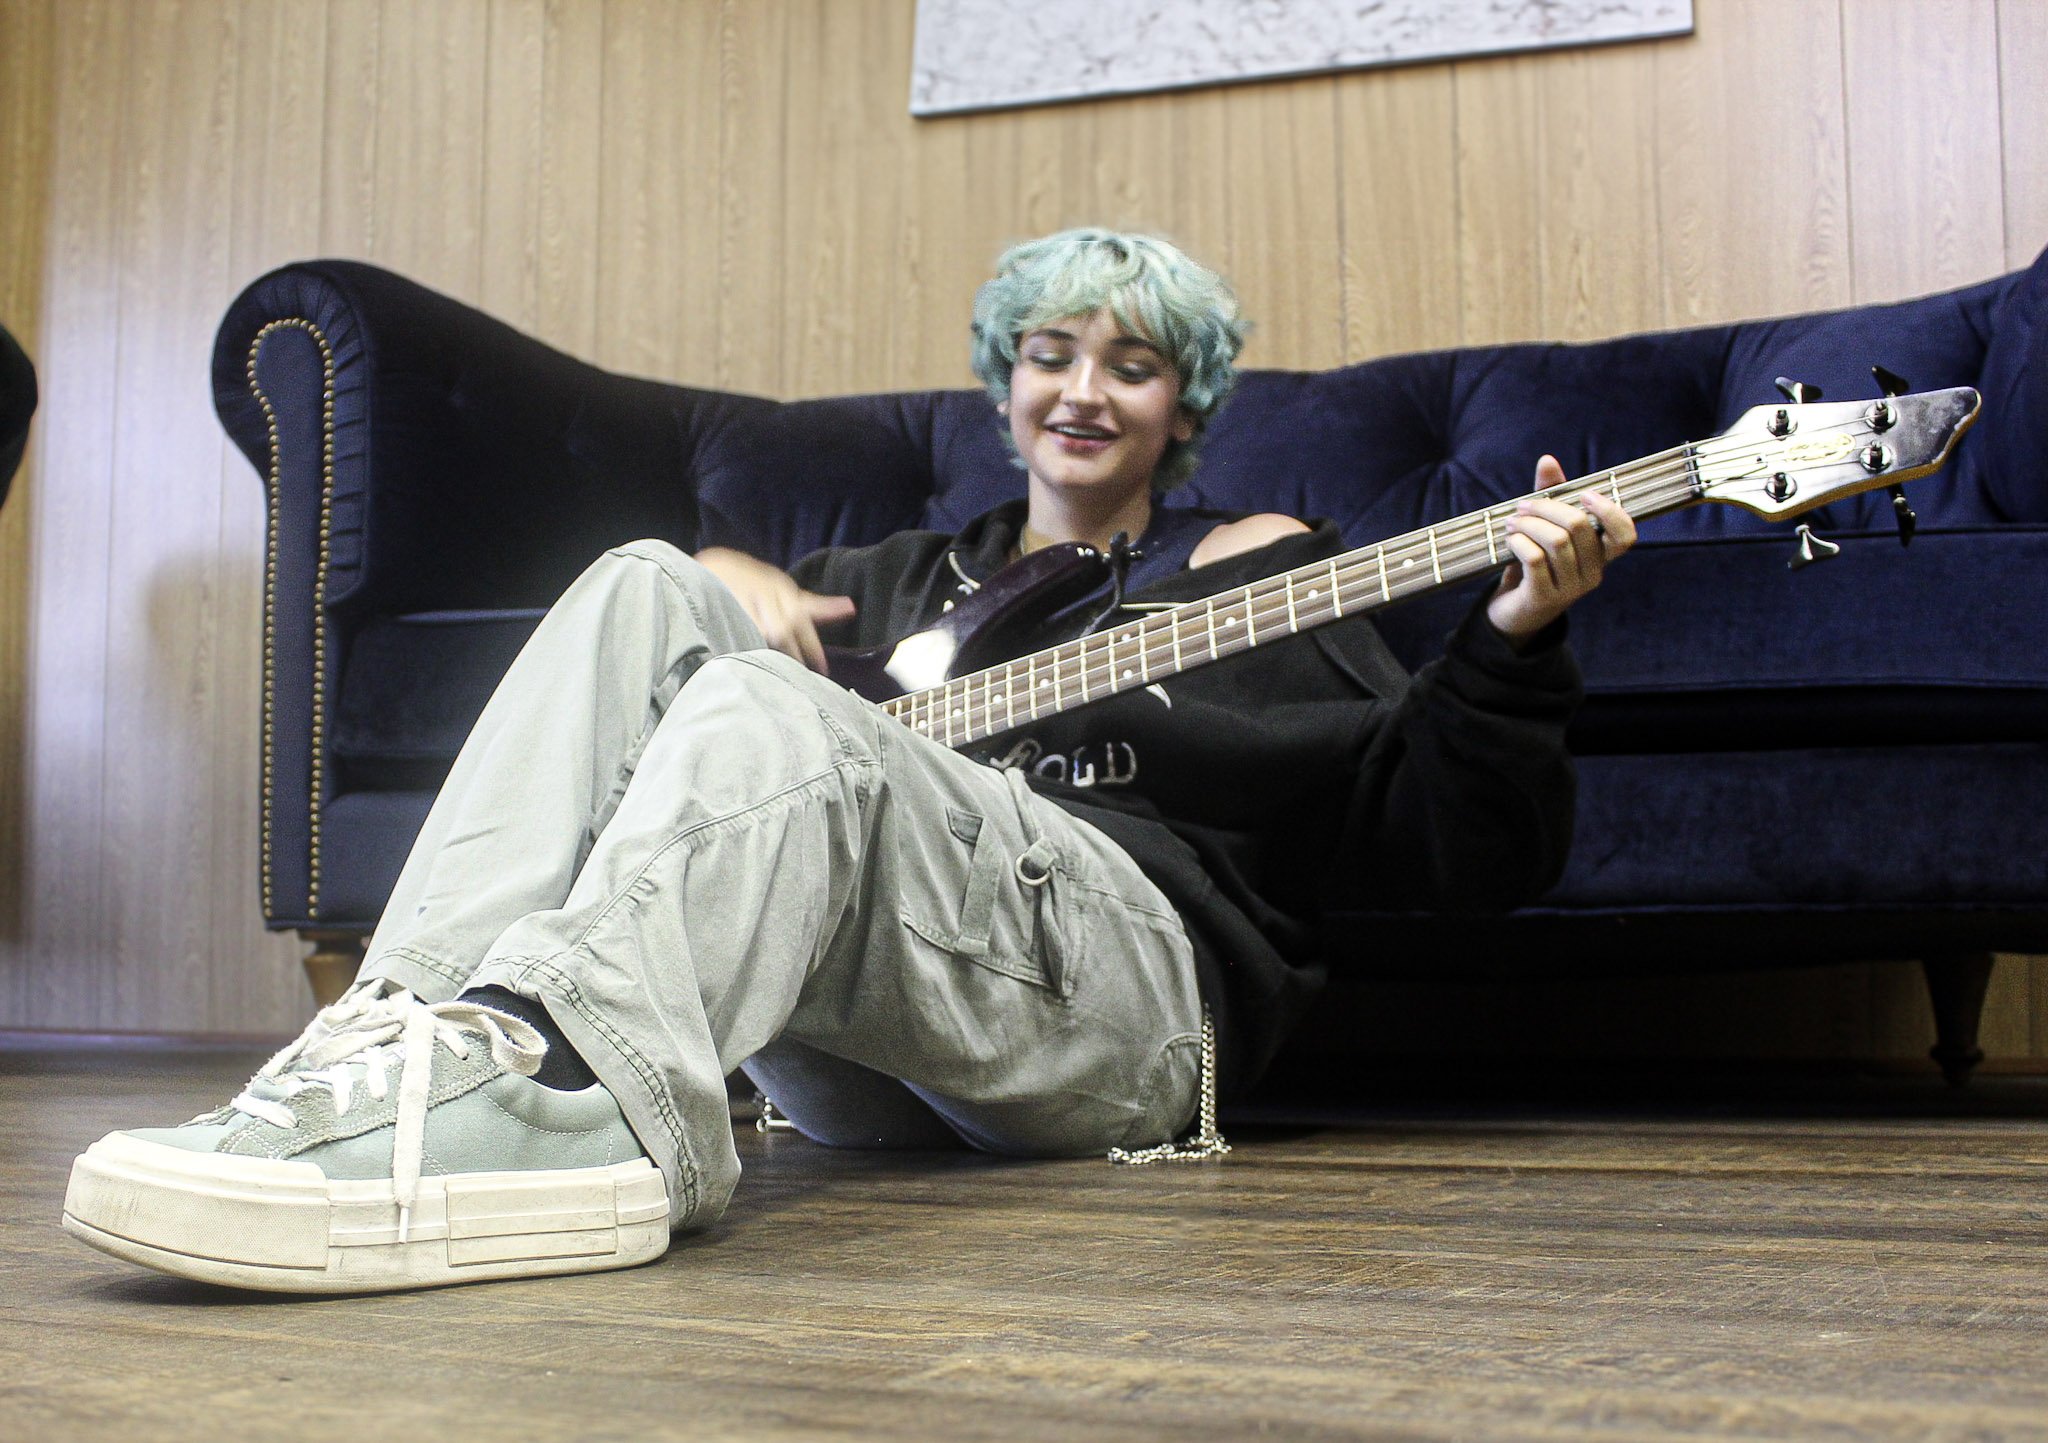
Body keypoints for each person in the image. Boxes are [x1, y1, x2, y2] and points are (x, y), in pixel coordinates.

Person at [61, 229, 1635, 1293]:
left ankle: (586, 1129)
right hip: (869, 1056)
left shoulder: (1258, 570)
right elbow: (703, 673)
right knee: (641, 582)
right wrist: (721, 576)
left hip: (1125, 1026)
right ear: (1004, 384)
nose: (1085, 388)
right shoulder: (885, 586)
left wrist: (1510, 643)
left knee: (770, 709)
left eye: (1134, 365)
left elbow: (1445, 855)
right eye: (1052, 351)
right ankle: (403, 1052)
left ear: (1184, 407)